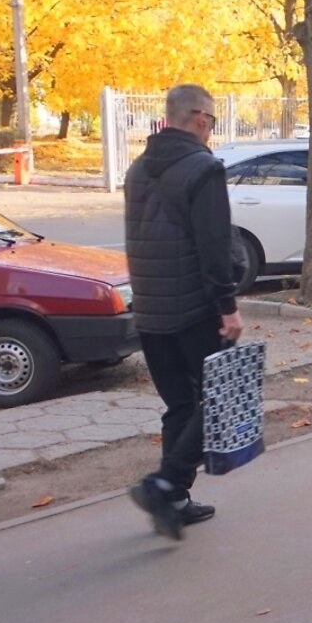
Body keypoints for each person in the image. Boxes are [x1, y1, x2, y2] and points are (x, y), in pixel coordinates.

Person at [124, 83, 245, 540]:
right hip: (194, 309)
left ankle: (174, 499)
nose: (211, 129)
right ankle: (165, 482)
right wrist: (227, 308)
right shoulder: (203, 169)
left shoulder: (137, 169)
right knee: (218, 402)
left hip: (150, 311)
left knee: (180, 403)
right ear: (199, 118)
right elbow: (213, 248)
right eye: (211, 121)